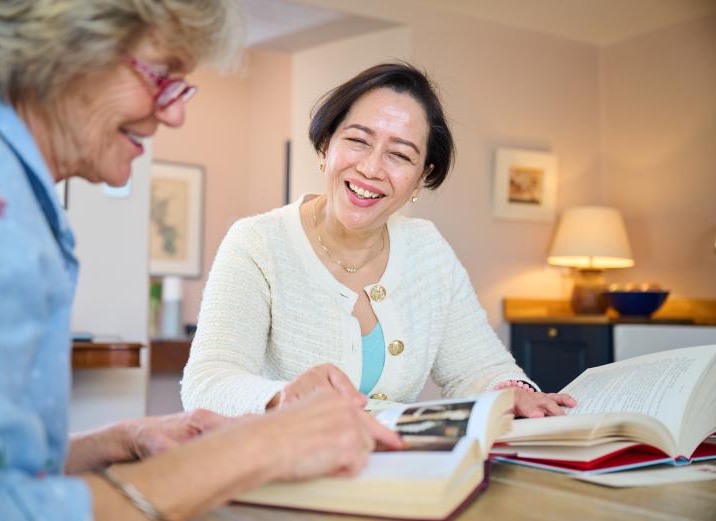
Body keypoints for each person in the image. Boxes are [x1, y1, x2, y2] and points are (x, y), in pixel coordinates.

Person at [0, 2, 403, 520]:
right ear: (62, 49)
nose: (174, 112)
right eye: (161, 76)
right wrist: (263, 446)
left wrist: (121, 438)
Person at [181, 62, 577, 418]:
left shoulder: (428, 249)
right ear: (326, 145)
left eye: (400, 155)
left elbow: (479, 368)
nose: (371, 167)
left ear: (422, 176)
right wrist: (283, 397)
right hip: (283, 471)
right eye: (357, 140)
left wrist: (514, 391)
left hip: (395, 472)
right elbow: (207, 382)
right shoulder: (257, 243)